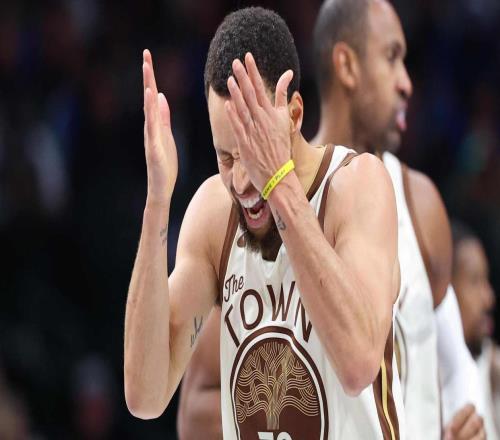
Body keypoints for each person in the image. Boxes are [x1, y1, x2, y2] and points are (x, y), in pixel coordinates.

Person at [177, 1, 485, 439]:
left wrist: (467, 420)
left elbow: (457, 368)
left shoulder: (420, 204)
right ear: (346, 65)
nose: (406, 83)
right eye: (391, 57)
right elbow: (194, 405)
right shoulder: (255, 218)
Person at [125, 6, 405, 439]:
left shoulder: (357, 187)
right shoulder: (214, 214)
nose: (240, 180)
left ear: (293, 115)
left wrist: (277, 180)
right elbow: (145, 397)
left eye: (251, 151)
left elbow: (358, 364)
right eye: (225, 157)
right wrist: (157, 201)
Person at [452, 221, 499, 439]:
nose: (488, 298)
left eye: (486, 280)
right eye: (474, 281)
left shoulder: (489, 365)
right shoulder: (425, 377)